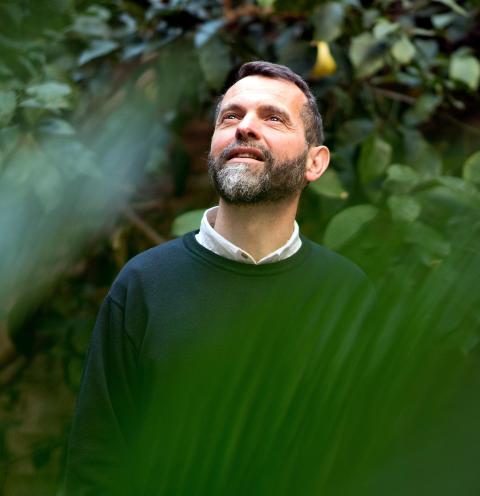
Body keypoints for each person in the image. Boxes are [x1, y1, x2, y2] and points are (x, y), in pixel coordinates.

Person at [64, 61, 374, 496]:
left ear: (314, 162)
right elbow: (96, 465)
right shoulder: (145, 284)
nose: (244, 127)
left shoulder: (347, 294)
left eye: (273, 117)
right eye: (231, 116)